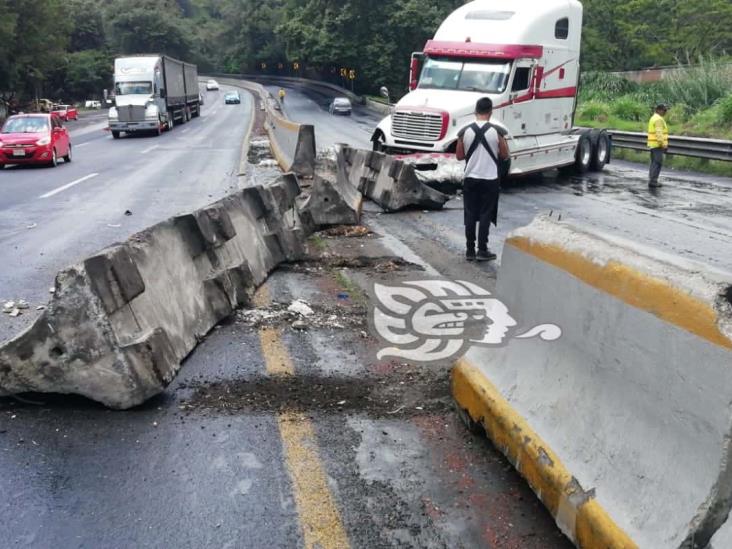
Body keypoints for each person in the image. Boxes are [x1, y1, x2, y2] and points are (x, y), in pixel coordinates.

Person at [456, 97, 509, 262]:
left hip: (471, 178)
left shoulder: (465, 132)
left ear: (475, 111)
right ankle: (482, 250)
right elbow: (505, 155)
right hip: (490, 178)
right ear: (491, 112)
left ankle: (470, 250)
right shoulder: (496, 132)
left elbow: (459, 156)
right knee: (485, 214)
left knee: (470, 214)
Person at [647, 103, 669, 188]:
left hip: (653, 145)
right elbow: (659, 133)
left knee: (654, 163)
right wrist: (663, 145)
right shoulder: (658, 119)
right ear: (659, 110)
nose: (665, 112)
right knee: (657, 163)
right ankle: (653, 181)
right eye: (664, 110)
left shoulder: (653, 118)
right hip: (657, 145)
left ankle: (652, 179)